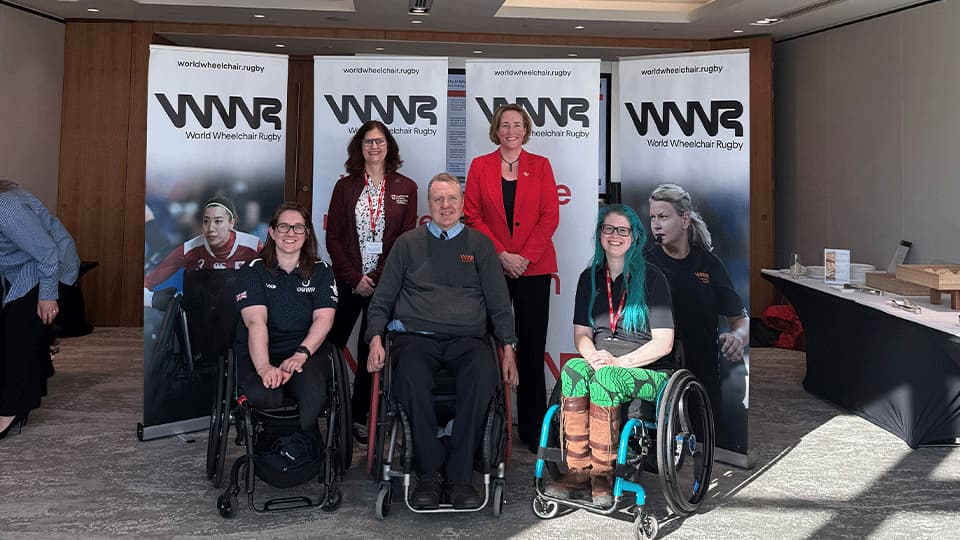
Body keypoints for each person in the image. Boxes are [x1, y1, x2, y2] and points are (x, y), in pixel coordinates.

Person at [366, 173, 519, 510]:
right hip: (416, 338)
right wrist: (375, 337)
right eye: (438, 199)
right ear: (429, 205)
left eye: (452, 199)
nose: (445, 205)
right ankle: (429, 473)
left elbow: (498, 304)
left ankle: (460, 477)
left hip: (468, 338)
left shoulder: (480, 246)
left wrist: (508, 349)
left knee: (483, 375)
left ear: (462, 205)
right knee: (409, 376)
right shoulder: (407, 244)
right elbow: (382, 298)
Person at [545, 204, 675, 505]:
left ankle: (602, 476)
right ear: (600, 235)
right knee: (573, 370)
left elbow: (664, 343)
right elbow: (581, 334)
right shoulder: (589, 278)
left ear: (635, 236)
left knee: (607, 378)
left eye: (623, 230)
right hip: (602, 362)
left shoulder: (653, 279)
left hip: (648, 370)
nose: (615, 236)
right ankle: (578, 471)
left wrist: (618, 363)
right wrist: (593, 357)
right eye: (608, 229)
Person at [464, 103, 560, 453]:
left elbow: (549, 216)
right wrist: (501, 255)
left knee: (532, 349)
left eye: (517, 125)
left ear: (525, 130)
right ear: (496, 130)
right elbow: (472, 215)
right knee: (491, 349)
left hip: (534, 269)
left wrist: (524, 257)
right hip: (494, 268)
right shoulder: (480, 166)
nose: (511, 131)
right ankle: (492, 427)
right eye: (504, 125)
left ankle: (533, 431)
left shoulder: (541, 165)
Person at [326, 120, 418, 445]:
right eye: (368, 142)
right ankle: (324, 405)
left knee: (370, 347)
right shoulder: (345, 187)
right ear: (360, 147)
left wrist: (377, 277)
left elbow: (404, 240)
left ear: (388, 146)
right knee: (331, 342)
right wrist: (355, 278)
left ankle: (359, 415)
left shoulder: (406, 187)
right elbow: (333, 237)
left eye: (379, 141)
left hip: (385, 283)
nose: (374, 147)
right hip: (349, 280)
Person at [646, 183, 749, 449]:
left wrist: (737, 338)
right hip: (659, 369)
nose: (656, 224)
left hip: (704, 373)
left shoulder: (709, 264)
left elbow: (741, 319)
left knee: (710, 444)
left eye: (663, 216)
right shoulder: (646, 262)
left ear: (684, 219)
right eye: (653, 217)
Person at [234, 202, 337, 432]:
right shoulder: (252, 271)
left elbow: (324, 320)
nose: (291, 233)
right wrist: (264, 367)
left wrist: (300, 355)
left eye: (298, 227)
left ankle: (301, 446)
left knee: (312, 393)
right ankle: (273, 445)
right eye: (283, 227)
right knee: (266, 396)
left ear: (307, 233)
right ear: (272, 232)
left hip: (306, 352)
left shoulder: (322, 271)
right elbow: (255, 322)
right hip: (261, 351)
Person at [0, 179, 80, 439]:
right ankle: (39, 367)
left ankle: (11, 410)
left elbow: (47, 252)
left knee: (18, 334)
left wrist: (47, 295)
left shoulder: (5, 208)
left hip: (52, 265)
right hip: (18, 267)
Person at [144, 196, 262, 308]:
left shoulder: (254, 247)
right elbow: (148, 284)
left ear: (231, 224)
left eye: (218, 221)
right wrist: (152, 299)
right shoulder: (188, 250)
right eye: (206, 221)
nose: (211, 228)